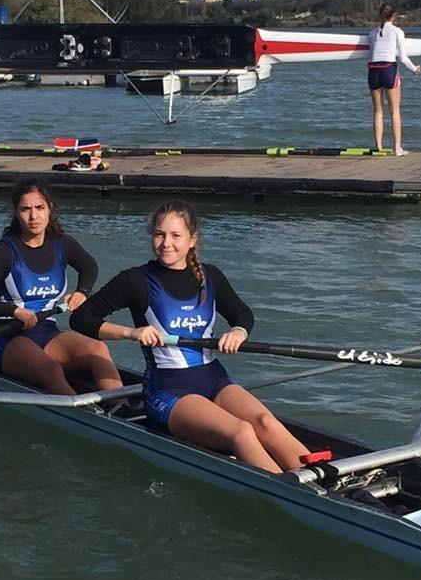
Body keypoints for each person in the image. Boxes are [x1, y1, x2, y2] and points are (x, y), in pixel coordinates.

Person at [70, 199, 310, 474]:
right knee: (241, 432)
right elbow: (81, 319)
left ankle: (328, 479)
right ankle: (300, 494)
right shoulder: (135, 280)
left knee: (266, 422)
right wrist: (132, 332)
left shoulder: (211, 277)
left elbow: (243, 314)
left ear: (192, 240)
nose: (166, 243)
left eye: (175, 235)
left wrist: (238, 332)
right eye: (159, 234)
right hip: (168, 390)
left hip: (213, 378)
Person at [0, 178, 123, 397]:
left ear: (50, 209)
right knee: (50, 369)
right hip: (5, 336)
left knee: (98, 349)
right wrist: (13, 311)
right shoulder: (4, 251)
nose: (33, 216)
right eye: (25, 209)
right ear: (16, 213)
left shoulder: (62, 244)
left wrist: (82, 292)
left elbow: (89, 266)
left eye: (39, 208)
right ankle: (88, 416)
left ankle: (121, 405)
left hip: (46, 332)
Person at [367, 3, 421, 157]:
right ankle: (397, 149)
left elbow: (373, 52)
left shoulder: (372, 34)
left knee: (378, 111)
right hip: (388, 69)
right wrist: (414, 69)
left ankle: (378, 148)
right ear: (394, 15)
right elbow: (403, 58)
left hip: (373, 70)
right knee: (395, 111)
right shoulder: (398, 32)